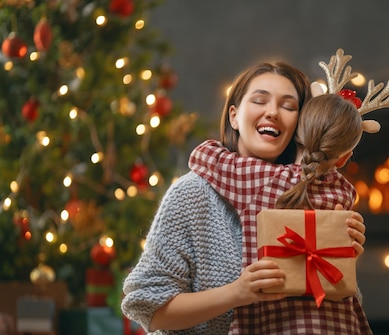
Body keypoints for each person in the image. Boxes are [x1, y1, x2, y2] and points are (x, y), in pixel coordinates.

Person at [121, 60, 368, 334]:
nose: (273, 112)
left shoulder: (317, 193)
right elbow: (149, 308)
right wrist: (238, 292)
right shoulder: (193, 193)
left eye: (288, 106)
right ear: (234, 117)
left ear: (301, 126)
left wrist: (337, 255)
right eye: (260, 100)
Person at [188, 93, 369, 333]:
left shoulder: (259, 178)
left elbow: (201, 156)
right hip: (336, 324)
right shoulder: (345, 192)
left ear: (296, 136)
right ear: (344, 158)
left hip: (271, 322)